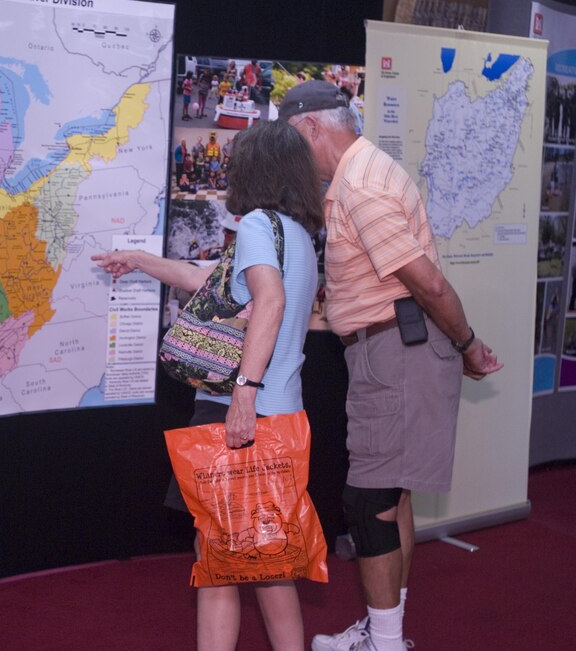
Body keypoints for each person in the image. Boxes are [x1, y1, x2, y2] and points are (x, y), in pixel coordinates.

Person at [279, 81, 503, 651]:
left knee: (369, 501)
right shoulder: (362, 174)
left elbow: (426, 280)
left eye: (291, 142)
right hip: (389, 350)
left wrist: (469, 344)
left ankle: (384, 642)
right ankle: (386, 632)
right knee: (392, 496)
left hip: (398, 354)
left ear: (311, 129)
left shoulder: (359, 185)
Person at [93, 118, 325, 651]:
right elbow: (209, 281)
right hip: (283, 416)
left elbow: (269, 300)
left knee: (216, 560)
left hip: (237, 415)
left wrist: (243, 394)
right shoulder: (296, 236)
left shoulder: (257, 227)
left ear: (253, 168)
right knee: (268, 560)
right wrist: (139, 261)